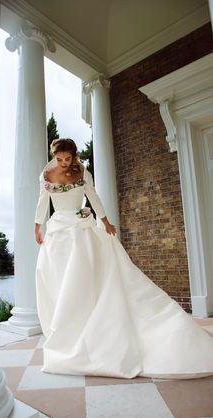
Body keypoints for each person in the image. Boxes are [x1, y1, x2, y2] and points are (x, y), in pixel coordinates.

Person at [34, 138, 213, 379]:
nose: (64, 164)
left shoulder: (82, 171)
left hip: (81, 228)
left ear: (74, 156)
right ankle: (72, 328)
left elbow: (93, 197)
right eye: (60, 159)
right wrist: (37, 227)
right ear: (53, 155)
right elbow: (43, 201)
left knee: (89, 274)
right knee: (60, 277)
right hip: (59, 231)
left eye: (68, 159)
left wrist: (105, 221)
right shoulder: (46, 175)